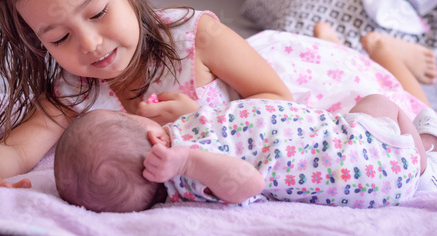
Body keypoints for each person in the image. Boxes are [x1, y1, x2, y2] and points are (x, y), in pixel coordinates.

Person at [0, 0, 436, 191]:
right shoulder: (73, 88)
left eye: (97, 13)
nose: (89, 44)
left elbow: (281, 103)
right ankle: (337, 38)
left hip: (297, 86)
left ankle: (381, 49)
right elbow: (20, 149)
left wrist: (204, 120)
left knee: (409, 119)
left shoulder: (195, 38)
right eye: (59, 38)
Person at [54, 94, 437, 213]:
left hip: (371, 167)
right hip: (375, 165)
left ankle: (421, 153)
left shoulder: (185, 144)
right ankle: (425, 151)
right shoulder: (190, 172)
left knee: (368, 122)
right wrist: (187, 160)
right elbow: (250, 182)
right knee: (377, 102)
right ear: (152, 135)